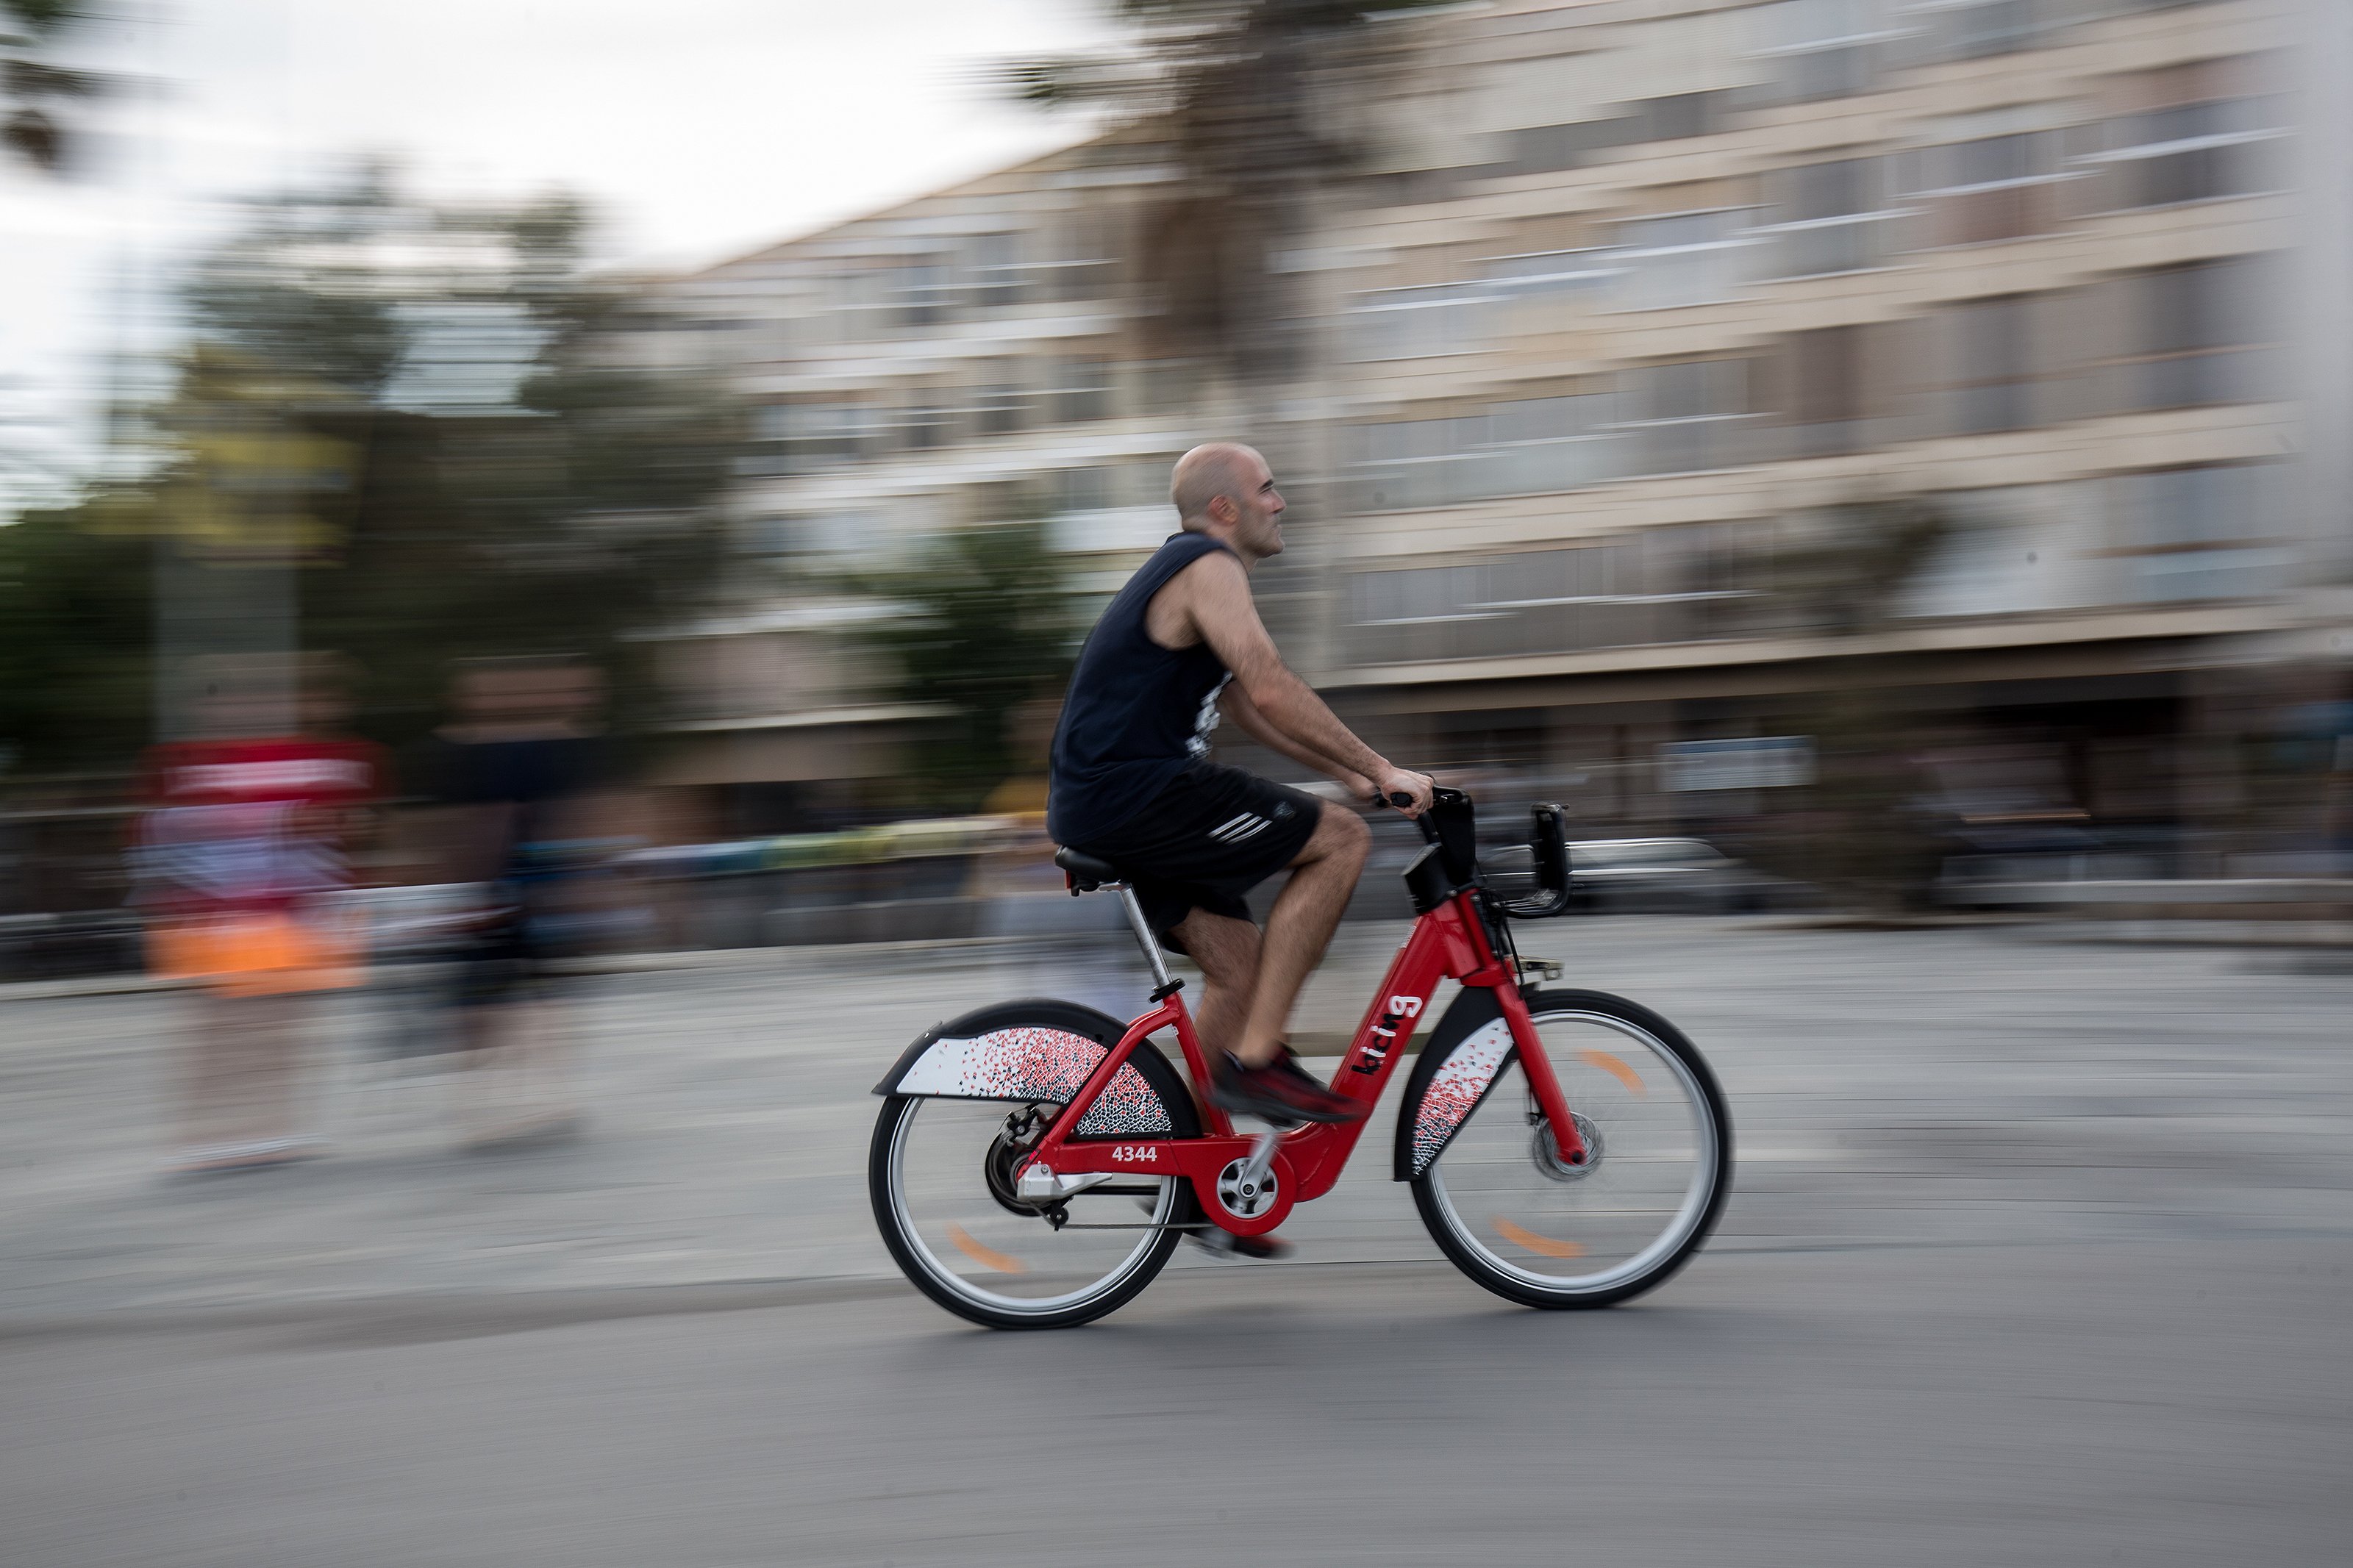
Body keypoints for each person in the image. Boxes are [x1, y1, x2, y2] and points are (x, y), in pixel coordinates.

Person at [1048, 443, 1434, 1136]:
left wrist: (1351, 773)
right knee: (1342, 839)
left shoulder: (1186, 571)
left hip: (1111, 803)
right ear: (1224, 507)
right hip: (1137, 793)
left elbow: (1243, 704)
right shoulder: (1207, 563)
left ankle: (1199, 1184)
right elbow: (1271, 684)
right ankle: (1256, 1061)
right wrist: (1382, 769)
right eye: (1267, 489)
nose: (1280, 503)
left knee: (1241, 965)